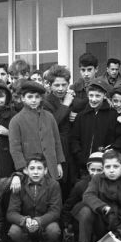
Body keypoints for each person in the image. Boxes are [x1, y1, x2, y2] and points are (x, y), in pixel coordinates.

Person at [7, 154, 61, 242]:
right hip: (25, 226)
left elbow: (55, 211)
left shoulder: (53, 185)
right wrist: (25, 220)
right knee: (13, 231)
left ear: (45, 170)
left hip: (43, 225)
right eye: (32, 168)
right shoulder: (19, 184)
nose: (35, 172)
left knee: (54, 230)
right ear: (26, 170)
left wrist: (39, 221)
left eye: (39, 168)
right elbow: (11, 212)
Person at [70, 78, 121, 177]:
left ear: (105, 96)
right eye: (91, 95)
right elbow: (74, 138)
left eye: (98, 96)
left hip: (106, 166)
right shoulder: (81, 115)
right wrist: (80, 155)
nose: (93, 99)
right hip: (85, 167)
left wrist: (113, 149)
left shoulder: (113, 115)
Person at [9, 81, 64, 180]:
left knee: (52, 192)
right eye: (30, 97)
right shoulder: (16, 120)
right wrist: (22, 168)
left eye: (37, 97)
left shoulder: (49, 116)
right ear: (22, 98)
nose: (34, 100)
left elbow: (57, 141)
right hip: (30, 169)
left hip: (50, 167)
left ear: (41, 98)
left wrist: (58, 163)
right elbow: (15, 148)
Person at [60, 152, 104, 242]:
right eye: (93, 170)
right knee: (84, 208)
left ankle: (97, 241)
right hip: (80, 219)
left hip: (100, 220)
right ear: (88, 168)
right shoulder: (81, 185)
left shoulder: (107, 184)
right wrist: (66, 226)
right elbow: (68, 206)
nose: (95, 173)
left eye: (99, 170)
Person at [43, 65, 76, 196]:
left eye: (64, 85)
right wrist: (66, 105)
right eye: (57, 85)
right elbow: (52, 122)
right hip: (56, 148)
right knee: (58, 186)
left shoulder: (72, 98)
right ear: (50, 86)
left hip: (72, 148)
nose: (61, 89)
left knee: (72, 185)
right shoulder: (45, 102)